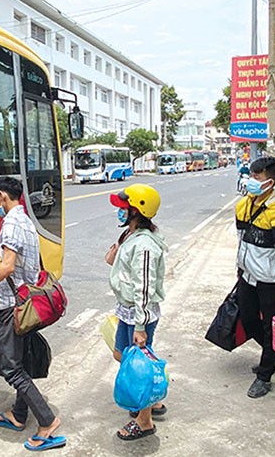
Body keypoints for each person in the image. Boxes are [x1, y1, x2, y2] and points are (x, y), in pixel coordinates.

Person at [0, 176, 66, 452]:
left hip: (12, 305)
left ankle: (47, 421)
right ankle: (18, 415)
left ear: (2, 195)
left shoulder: (10, 224)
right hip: (26, 303)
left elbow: (6, 268)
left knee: (10, 367)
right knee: (21, 360)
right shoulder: (27, 221)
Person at [235, 156, 275, 398]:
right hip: (247, 277)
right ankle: (273, 353)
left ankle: (265, 375)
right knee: (249, 320)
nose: (251, 180)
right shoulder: (244, 205)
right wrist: (239, 269)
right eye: (251, 175)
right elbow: (241, 241)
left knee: (270, 327)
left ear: (270, 182)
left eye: (256, 177)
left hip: (271, 282)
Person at [107, 184, 167, 441]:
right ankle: (152, 401)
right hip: (127, 311)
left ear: (136, 211)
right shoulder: (131, 236)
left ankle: (145, 422)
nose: (120, 211)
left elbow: (144, 285)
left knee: (139, 368)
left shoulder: (145, 245)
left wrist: (141, 327)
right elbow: (112, 262)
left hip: (139, 314)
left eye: (124, 208)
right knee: (120, 354)